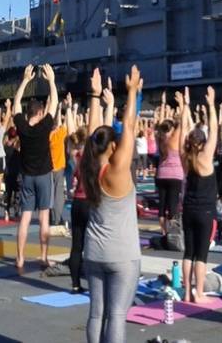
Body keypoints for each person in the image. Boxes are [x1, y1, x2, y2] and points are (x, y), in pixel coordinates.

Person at [81, 66, 142, 343]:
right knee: (117, 315)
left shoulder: (88, 168)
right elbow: (128, 126)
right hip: (123, 255)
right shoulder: (118, 172)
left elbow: (93, 136)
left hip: (93, 253)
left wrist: (95, 96)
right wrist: (131, 92)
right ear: (113, 148)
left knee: (96, 314)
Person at [12, 64, 58, 272]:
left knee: (25, 218)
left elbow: (15, 106)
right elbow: (55, 103)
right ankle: (43, 256)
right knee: (44, 218)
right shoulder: (45, 125)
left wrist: (25, 80)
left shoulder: (21, 126)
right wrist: (51, 81)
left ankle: (20, 258)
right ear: (40, 112)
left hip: (27, 176)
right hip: (44, 175)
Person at [180, 86, 218, 303]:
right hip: (204, 211)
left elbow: (184, 133)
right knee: (201, 255)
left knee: (188, 253)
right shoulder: (205, 157)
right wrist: (211, 105)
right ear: (202, 143)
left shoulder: (185, 157)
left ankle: (186, 293)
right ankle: (199, 293)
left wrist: (185, 107)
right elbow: (213, 128)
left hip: (188, 209)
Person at [66, 99, 90, 294]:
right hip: (91, 203)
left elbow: (71, 134)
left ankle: (75, 284)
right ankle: (95, 283)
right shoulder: (92, 155)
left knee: (76, 245)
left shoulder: (75, 156)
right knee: (93, 246)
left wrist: (70, 111)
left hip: (77, 203)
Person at [155, 90, 185, 235]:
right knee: (172, 206)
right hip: (175, 176)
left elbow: (161, 125)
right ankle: (172, 233)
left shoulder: (160, 139)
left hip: (161, 175)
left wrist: (162, 105)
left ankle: (164, 231)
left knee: (162, 206)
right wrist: (183, 104)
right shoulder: (174, 139)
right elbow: (183, 123)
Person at [49, 105, 70, 226]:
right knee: (59, 194)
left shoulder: (48, 136)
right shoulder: (59, 134)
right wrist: (67, 110)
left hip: (49, 167)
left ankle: (50, 216)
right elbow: (65, 125)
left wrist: (56, 111)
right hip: (59, 167)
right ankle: (57, 218)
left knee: (50, 193)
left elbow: (59, 124)